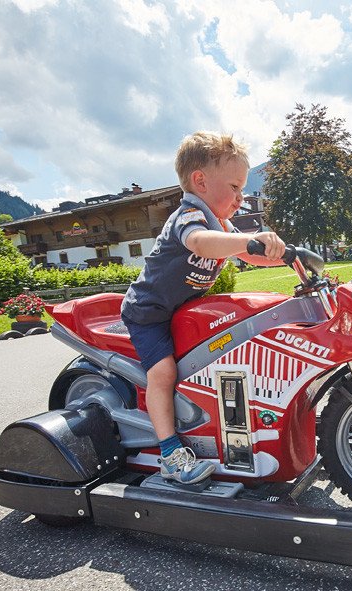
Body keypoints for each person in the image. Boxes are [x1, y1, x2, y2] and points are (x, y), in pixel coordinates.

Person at [121, 132, 286, 484]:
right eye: (235, 187)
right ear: (201, 181)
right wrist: (248, 239)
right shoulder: (189, 216)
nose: (241, 199)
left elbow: (246, 254)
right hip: (150, 313)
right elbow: (201, 243)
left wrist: (286, 256)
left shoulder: (220, 223)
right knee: (163, 374)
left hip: (183, 310)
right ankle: (169, 454)